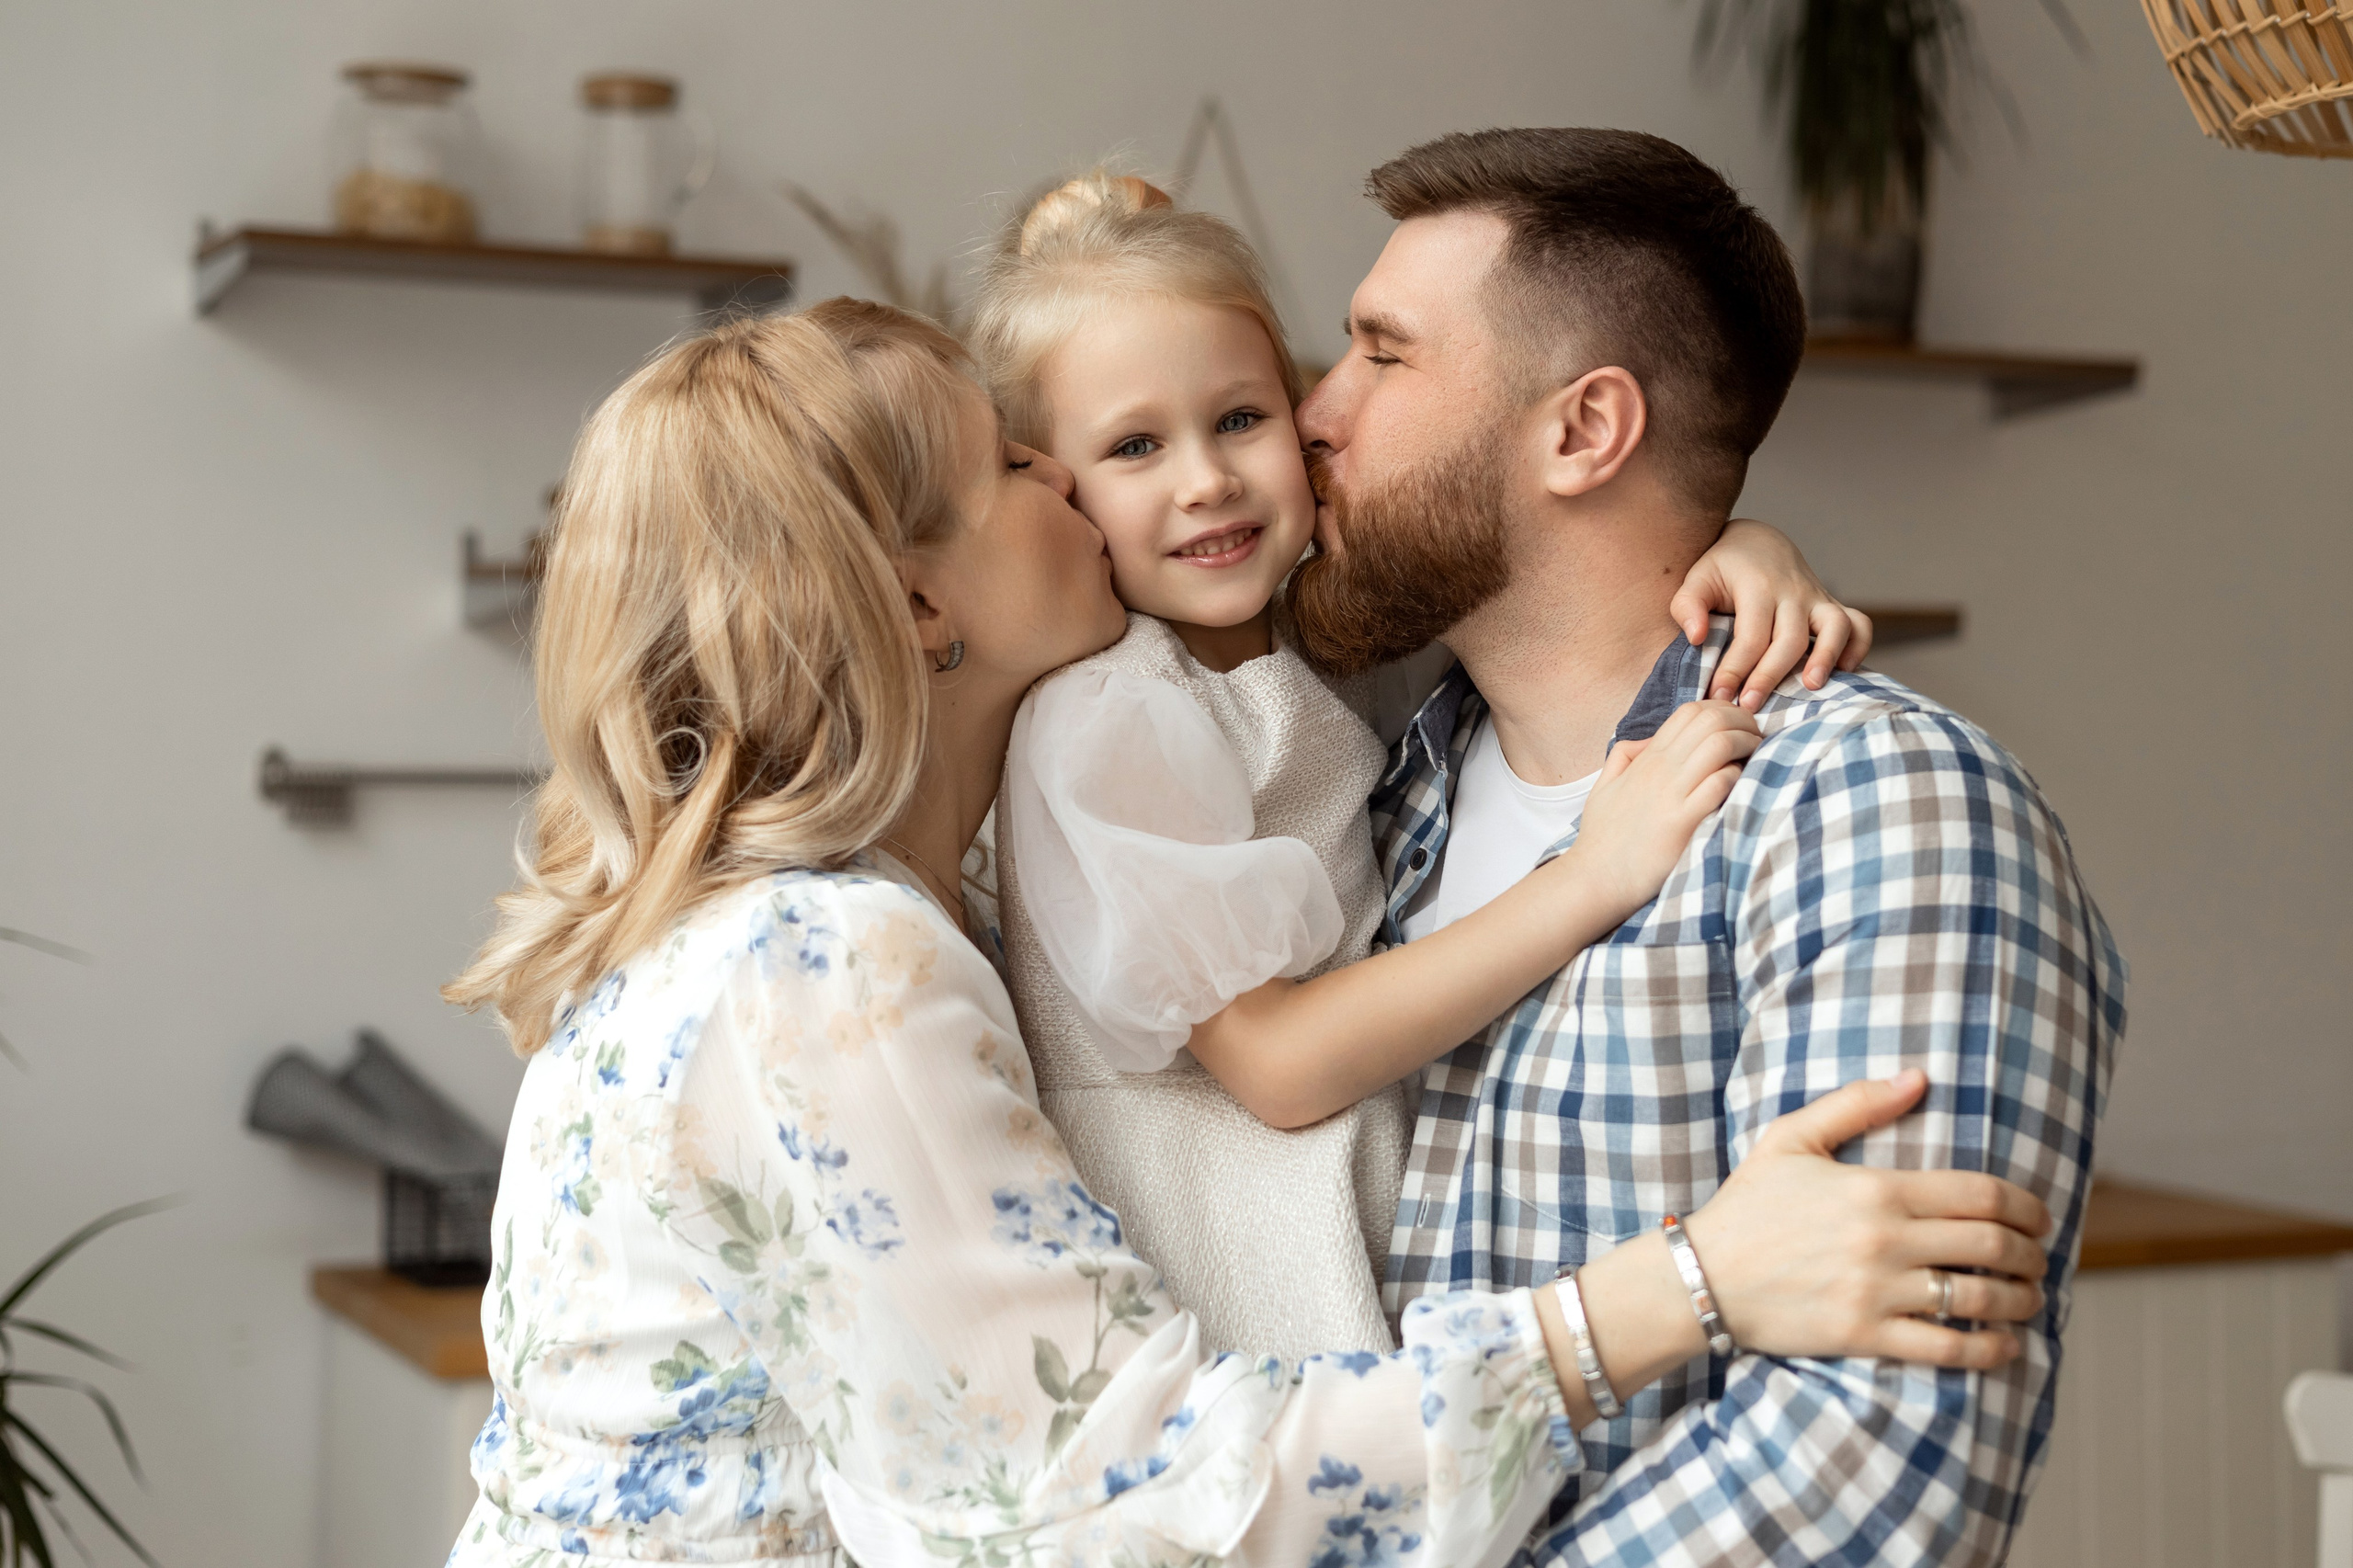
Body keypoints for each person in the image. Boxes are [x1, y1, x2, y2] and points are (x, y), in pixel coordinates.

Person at [439, 297, 2057, 1568]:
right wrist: (1683, 1287)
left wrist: (1715, 551)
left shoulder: (861, 917)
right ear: (921, 607)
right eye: (1018, 466)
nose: (1072, 479)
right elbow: (1122, 1510)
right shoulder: (827, 968)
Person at [1289, 127, 2128, 1565]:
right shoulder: (1366, 799)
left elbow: (1876, 1463)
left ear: (1584, 431)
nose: (1315, 409)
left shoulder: (1880, 804)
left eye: (1382, 353)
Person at [966, 169, 1871, 1359]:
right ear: (1054, 484)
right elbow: (1280, 1063)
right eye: (1136, 445)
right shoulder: (1106, 721)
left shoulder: (1327, 654)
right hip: (1219, 1250)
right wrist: (1593, 874)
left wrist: (1750, 546)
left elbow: (1550, 604)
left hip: (1363, 1216)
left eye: (1243, 416)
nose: (1207, 479)